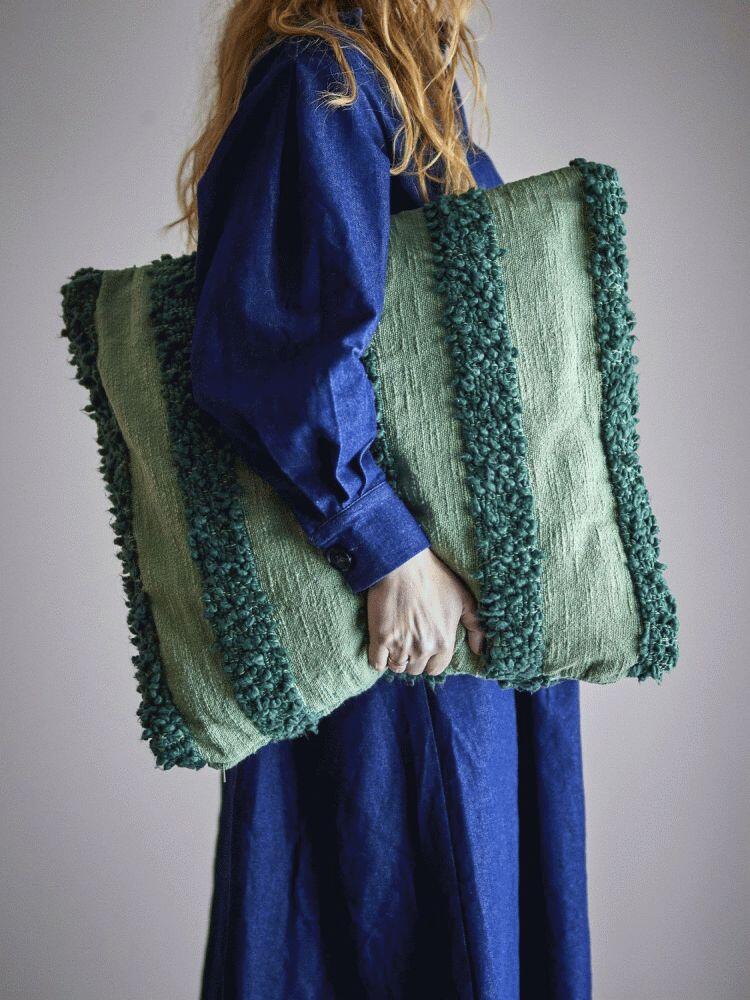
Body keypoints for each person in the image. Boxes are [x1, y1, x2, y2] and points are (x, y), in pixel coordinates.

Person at [171, 4, 591, 997]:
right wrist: (383, 545)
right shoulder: (324, 76)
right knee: (402, 937)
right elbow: (275, 344)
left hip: (442, 634)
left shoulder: (400, 86)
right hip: (398, 638)